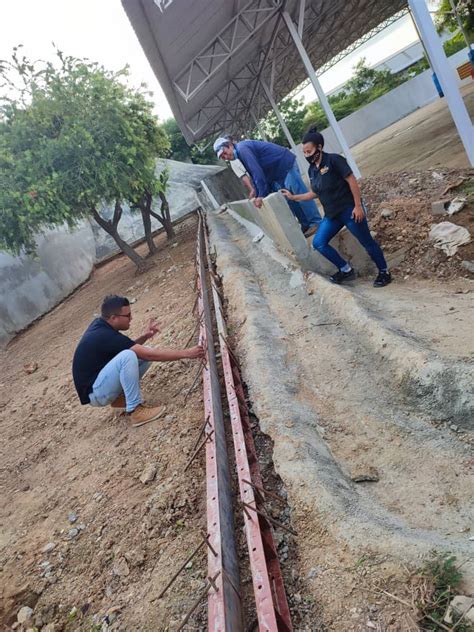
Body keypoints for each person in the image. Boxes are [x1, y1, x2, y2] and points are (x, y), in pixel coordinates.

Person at [281, 128, 392, 287]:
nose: (307, 155)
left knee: (367, 241)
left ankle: (384, 271)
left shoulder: (334, 160)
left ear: (319, 147)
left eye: (309, 151)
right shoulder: (313, 170)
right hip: (332, 216)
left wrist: (358, 206)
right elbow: (314, 193)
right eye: (304, 153)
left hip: (349, 211)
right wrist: (293, 197)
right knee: (319, 243)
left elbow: (352, 180)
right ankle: (346, 270)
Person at [72, 295, 205, 427]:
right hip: (95, 393)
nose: (131, 318)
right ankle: (135, 411)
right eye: (127, 315)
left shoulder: (102, 326)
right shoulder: (104, 335)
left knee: (136, 353)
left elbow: (130, 348)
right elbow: (150, 356)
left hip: (99, 384)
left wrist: (145, 336)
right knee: (129, 356)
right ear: (114, 318)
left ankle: (120, 399)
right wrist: (187, 353)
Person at [213, 135, 322, 237]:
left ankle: (316, 222)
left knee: (299, 193)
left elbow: (257, 172)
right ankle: (306, 225)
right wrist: (257, 193)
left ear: (230, 145)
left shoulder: (243, 149)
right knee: (290, 198)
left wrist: (261, 195)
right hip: (278, 172)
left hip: (285, 164)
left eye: (225, 153)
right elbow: (253, 174)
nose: (226, 157)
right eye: (223, 157)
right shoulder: (241, 152)